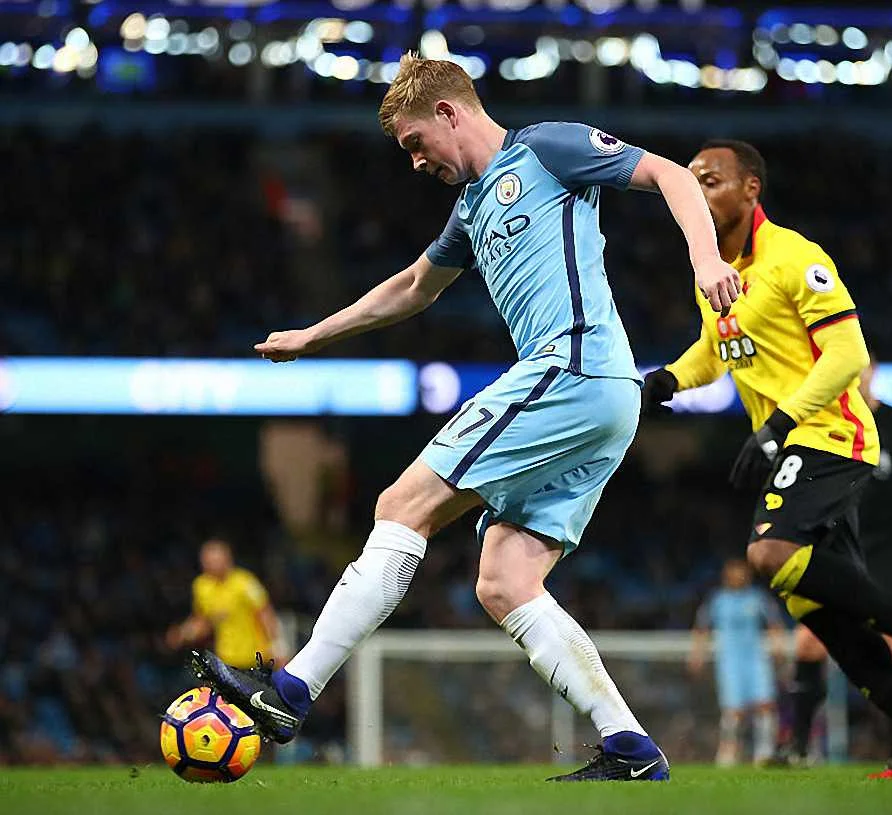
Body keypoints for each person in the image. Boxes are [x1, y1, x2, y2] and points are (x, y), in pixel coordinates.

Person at [191, 52, 742, 783]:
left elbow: (672, 174)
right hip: (598, 397)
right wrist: (314, 335)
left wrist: (706, 261)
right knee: (506, 580)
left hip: (573, 367)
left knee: (401, 505)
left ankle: (291, 691)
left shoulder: (546, 148)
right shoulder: (472, 208)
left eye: (416, 142)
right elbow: (414, 286)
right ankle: (632, 748)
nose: (416, 162)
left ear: (449, 113)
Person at [642, 139, 892, 778]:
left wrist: (780, 422)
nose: (696, 192)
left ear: (751, 189)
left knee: (768, 553)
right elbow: (715, 350)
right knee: (818, 611)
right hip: (784, 442)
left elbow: (848, 355)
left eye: (710, 180)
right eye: (691, 181)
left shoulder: (795, 257)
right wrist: (668, 380)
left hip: (831, 434)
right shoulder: (712, 269)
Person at [783, 355, 892, 764]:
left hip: (887, 555)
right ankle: (796, 749)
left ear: (873, 371)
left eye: (861, 369)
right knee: (808, 642)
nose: (855, 377)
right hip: (837, 551)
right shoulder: (826, 424)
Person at [688, 559, 786, 767]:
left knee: (764, 705)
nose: (737, 577)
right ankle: (728, 751)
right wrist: (697, 655)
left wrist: (778, 647)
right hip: (730, 661)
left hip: (756, 659)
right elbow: (701, 628)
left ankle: (764, 752)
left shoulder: (757, 597)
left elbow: (774, 623)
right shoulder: (718, 600)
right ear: (726, 576)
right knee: (733, 710)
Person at [166, 539, 283, 670]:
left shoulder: (245, 582)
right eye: (207, 561)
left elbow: (265, 613)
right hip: (226, 661)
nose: (211, 565)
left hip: (256, 659)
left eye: (215, 560)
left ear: (227, 559)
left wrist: (277, 647)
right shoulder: (202, 586)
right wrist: (183, 633)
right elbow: (203, 621)